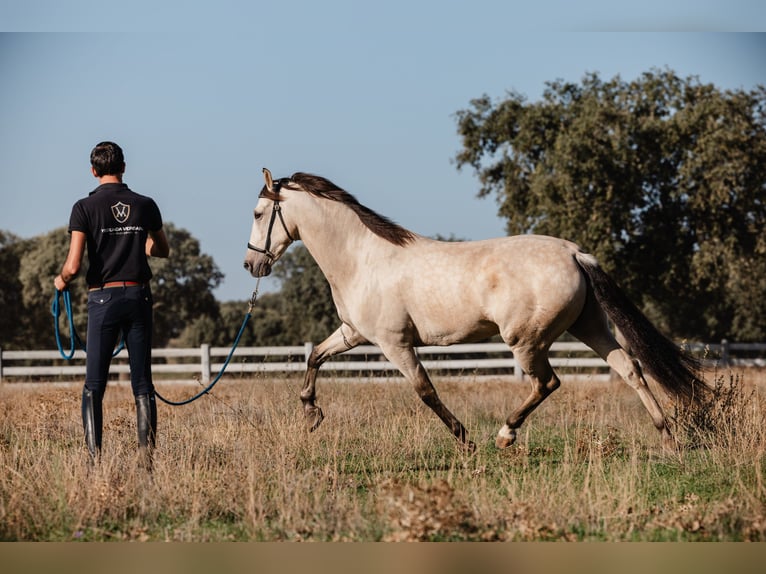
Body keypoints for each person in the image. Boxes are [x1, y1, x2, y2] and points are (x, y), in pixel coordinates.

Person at [54, 141, 169, 465]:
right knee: (142, 384)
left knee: (94, 384)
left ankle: (94, 463)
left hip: (103, 298)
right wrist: (143, 246)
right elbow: (163, 249)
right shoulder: (145, 204)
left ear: (93, 171)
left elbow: (73, 266)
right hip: (138, 294)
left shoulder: (83, 208)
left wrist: (61, 280)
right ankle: (146, 462)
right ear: (124, 167)